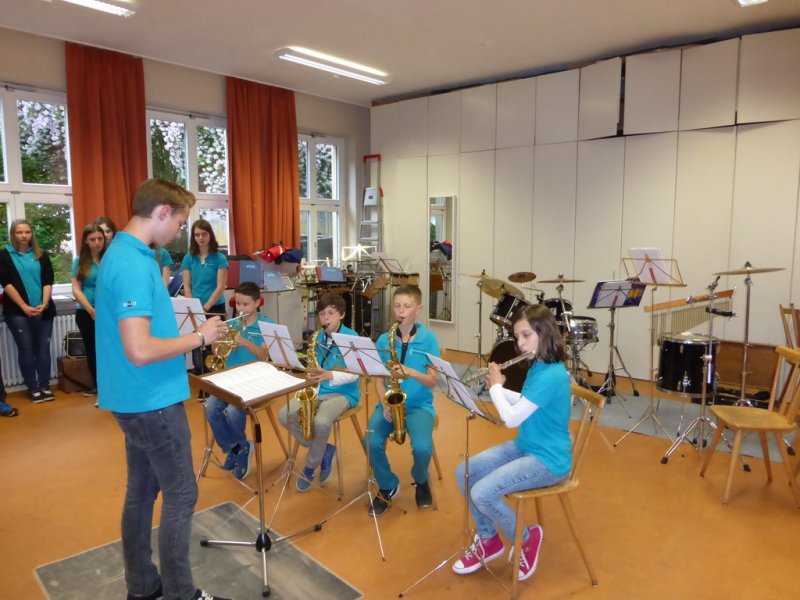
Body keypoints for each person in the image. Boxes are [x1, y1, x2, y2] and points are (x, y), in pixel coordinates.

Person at [95, 178, 229, 600]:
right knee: (181, 494)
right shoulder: (134, 263)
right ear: (162, 212)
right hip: (151, 399)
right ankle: (181, 593)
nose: (180, 232)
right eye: (181, 222)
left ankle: (142, 587)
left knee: (141, 493)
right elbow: (139, 349)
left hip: (132, 398)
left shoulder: (123, 252)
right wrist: (201, 337)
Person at [453, 303, 571, 582]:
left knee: (482, 493)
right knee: (464, 472)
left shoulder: (552, 375)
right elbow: (525, 403)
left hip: (549, 461)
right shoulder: (539, 364)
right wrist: (501, 387)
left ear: (545, 333)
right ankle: (489, 539)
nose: (520, 344)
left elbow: (512, 419)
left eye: (526, 335)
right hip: (526, 447)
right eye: (517, 337)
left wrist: (495, 387)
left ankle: (527, 539)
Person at [366, 284, 440, 516]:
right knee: (370, 440)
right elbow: (378, 380)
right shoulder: (383, 340)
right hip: (389, 403)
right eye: (397, 306)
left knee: (422, 448)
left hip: (419, 406)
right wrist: (384, 403)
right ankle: (388, 484)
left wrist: (411, 372)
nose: (401, 311)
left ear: (418, 309)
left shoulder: (429, 339)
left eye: (407, 306)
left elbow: (433, 381)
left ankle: (421, 479)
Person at [279, 293, 361, 492]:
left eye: (331, 313)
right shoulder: (318, 337)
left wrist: (329, 375)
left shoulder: (352, 338)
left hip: (344, 393)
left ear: (342, 315)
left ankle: (309, 466)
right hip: (317, 390)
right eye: (322, 314)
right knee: (285, 414)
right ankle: (323, 448)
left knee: (321, 421)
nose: (325, 318)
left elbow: (356, 374)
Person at [205, 281, 272, 481]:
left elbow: (264, 355)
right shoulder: (231, 324)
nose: (241, 309)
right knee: (210, 406)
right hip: (230, 379)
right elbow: (216, 351)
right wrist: (217, 340)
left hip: (255, 380)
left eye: (246, 304)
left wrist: (244, 342)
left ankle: (240, 447)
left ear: (257, 303)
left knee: (234, 410)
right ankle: (236, 447)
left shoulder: (266, 326)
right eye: (238, 304)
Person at [0, 219, 57, 403]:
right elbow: (6, 283)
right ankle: (33, 388)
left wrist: (44, 303)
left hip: (43, 310)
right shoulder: (4, 255)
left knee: (43, 349)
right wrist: (24, 306)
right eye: (19, 232)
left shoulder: (41, 255)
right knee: (26, 349)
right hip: (17, 312)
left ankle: (45, 386)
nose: (24, 236)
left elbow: (48, 280)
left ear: (31, 234)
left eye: (27, 232)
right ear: (13, 234)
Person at [181, 219, 228, 373]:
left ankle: (218, 378)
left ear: (210, 235)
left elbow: (220, 287)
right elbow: (187, 285)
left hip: (214, 307)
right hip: (196, 309)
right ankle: (202, 379)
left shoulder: (220, 258)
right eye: (197, 235)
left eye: (204, 234)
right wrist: (191, 306)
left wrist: (205, 308)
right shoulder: (189, 258)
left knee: (216, 347)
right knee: (198, 346)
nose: (200, 237)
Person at [71, 223, 105, 396]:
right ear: (85, 241)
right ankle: (98, 385)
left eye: (100, 238)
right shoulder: (79, 261)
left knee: (110, 350)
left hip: (108, 311)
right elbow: (76, 290)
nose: (97, 242)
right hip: (86, 312)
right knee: (93, 350)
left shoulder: (110, 258)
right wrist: (91, 310)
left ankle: (112, 384)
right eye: (93, 239)